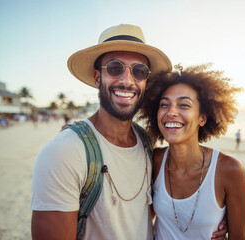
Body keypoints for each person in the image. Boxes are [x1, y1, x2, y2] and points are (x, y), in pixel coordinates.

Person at [31, 24, 227, 240]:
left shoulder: (146, 143)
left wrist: (208, 219)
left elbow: (142, 213)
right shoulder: (65, 152)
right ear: (97, 78)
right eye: (115, 68)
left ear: (145, 81)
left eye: (139, 71)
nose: (127, 80)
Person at [139, 64, 245, 239]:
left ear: (202, 118)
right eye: (164, 104)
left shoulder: (230, 170)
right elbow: (146, 220)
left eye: (184, 105)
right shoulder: (156, 160)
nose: (171, 112)